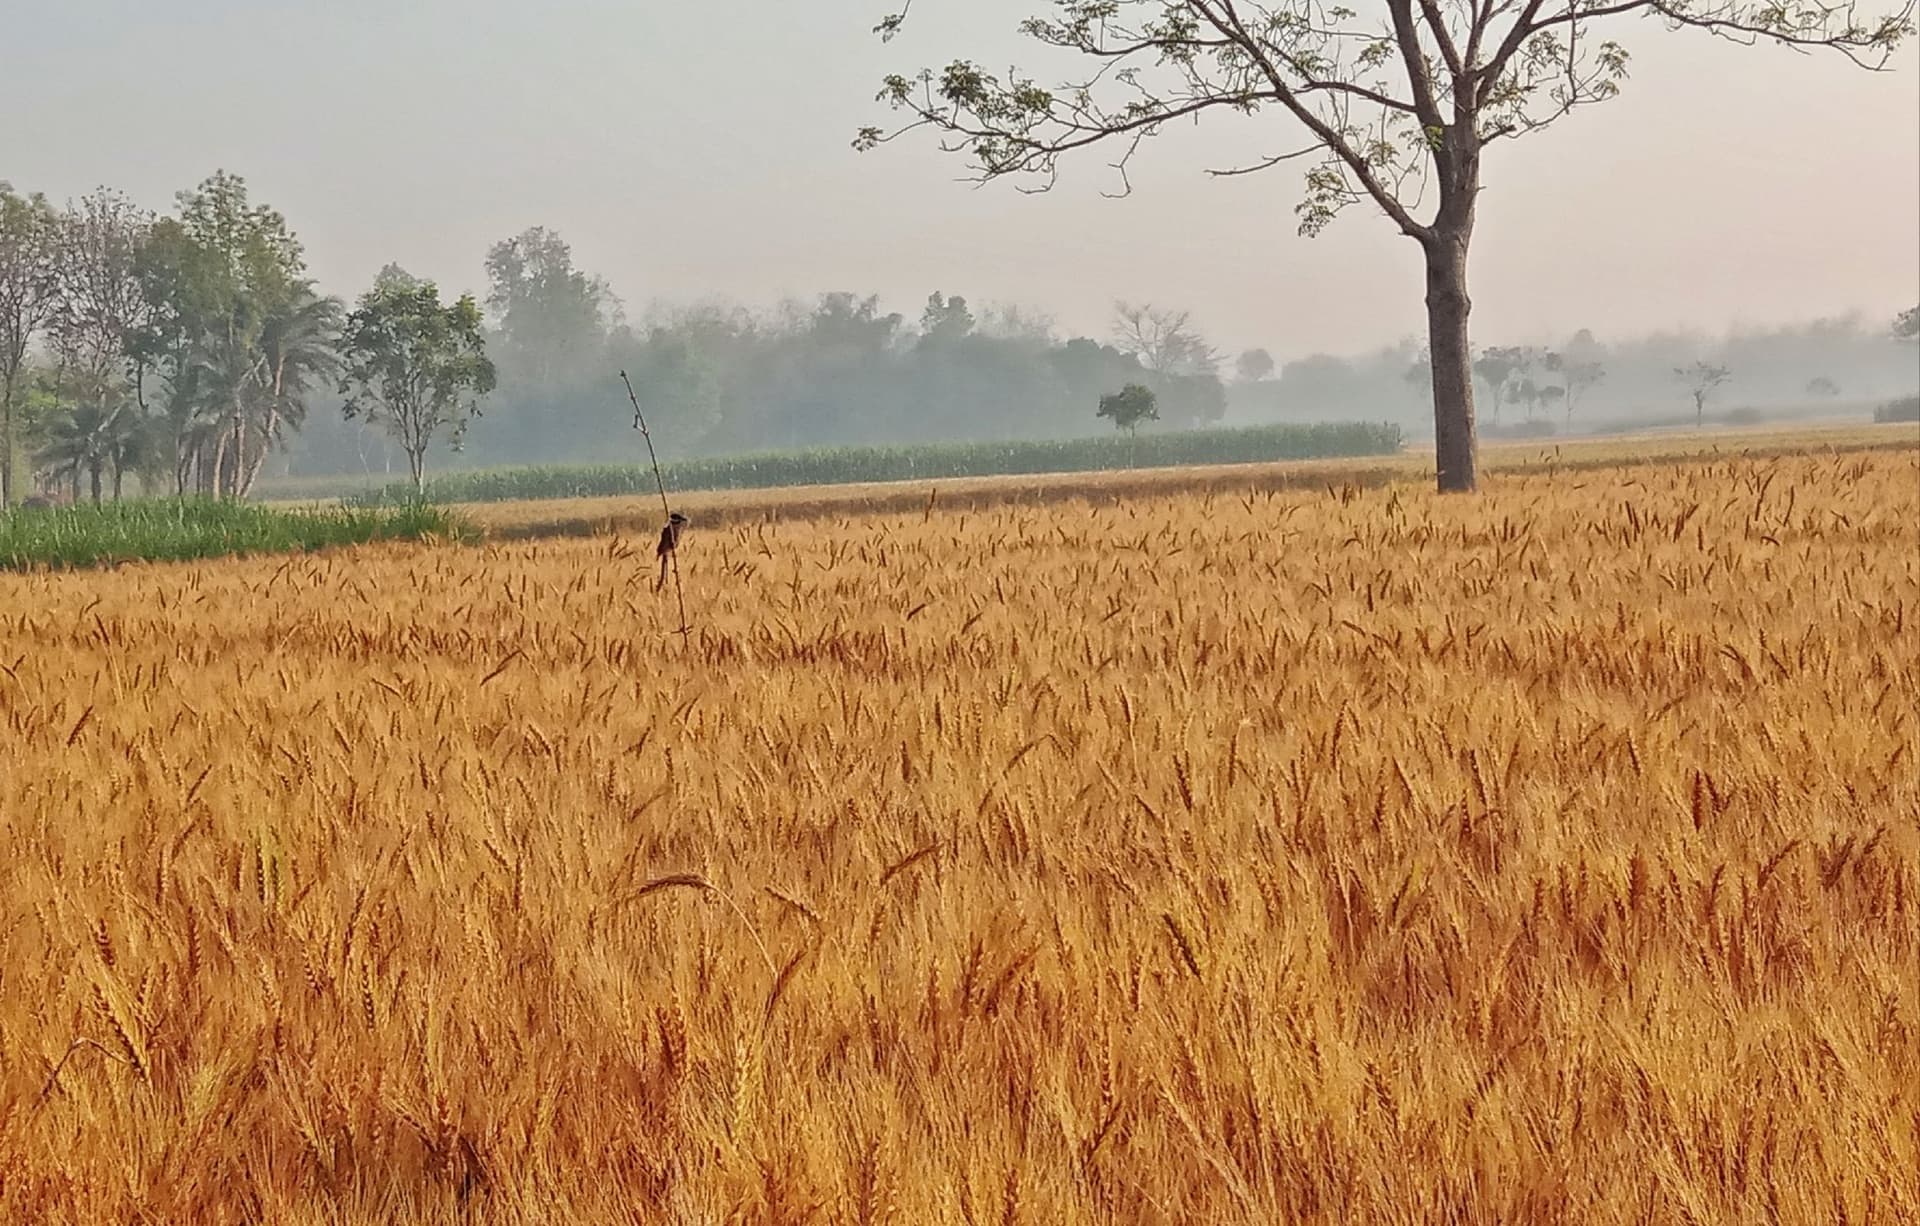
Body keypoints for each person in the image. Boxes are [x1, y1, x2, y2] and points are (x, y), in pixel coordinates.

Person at [656, 511, 688, 591]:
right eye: (678, 519)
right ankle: (662, 584)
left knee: (665, 573)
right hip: (665, 549)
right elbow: (665, 542)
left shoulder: (676, 528)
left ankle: (663, 583)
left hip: (669, 549)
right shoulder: (669, 529)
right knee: (664, 573)